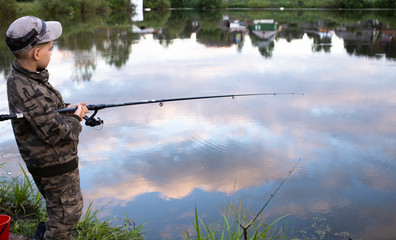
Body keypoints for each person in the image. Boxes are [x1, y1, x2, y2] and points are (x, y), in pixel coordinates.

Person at [5, 16, 89, 240]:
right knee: (65, 216)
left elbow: (42, 112)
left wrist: (65, 109)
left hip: (49, 164)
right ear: (36, 54)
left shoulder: (23, 78)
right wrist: (77, 118)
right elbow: (60, 134)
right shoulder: (30, 89)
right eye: (50, 49)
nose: (51, 53)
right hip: (54, 166)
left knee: (62, 211)